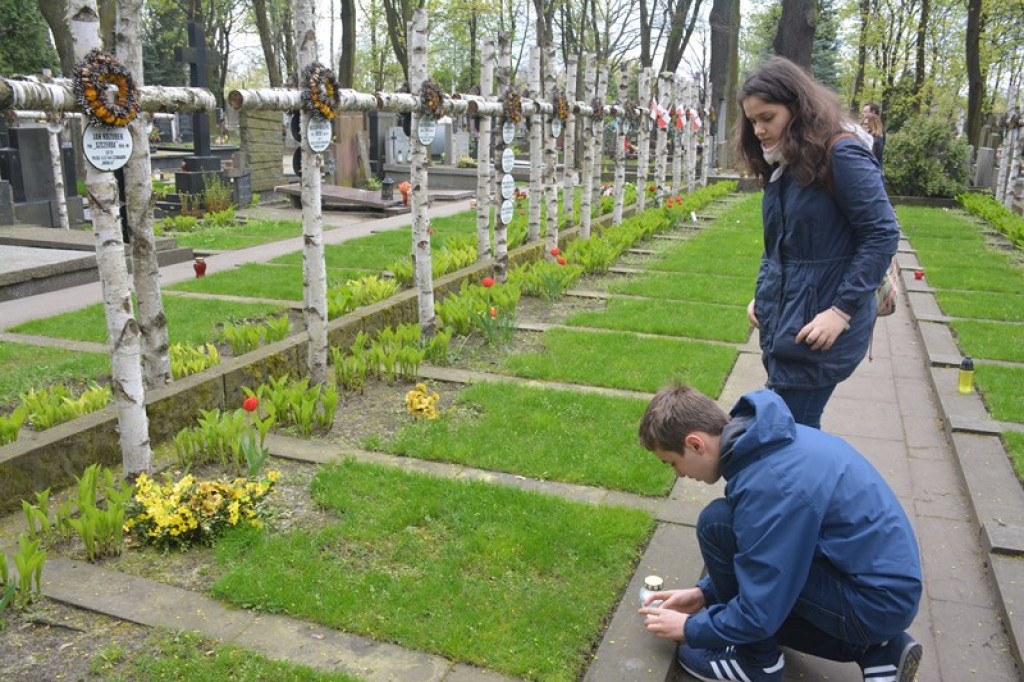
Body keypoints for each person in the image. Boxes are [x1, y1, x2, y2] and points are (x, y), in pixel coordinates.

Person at [636, 383, 923, 682]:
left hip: (874, 604)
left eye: (673, 463)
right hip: (880, 591)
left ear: (696, 444)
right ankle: (879, 650)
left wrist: (689, 629)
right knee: (728, 534)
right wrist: (705, 593)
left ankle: (757, 664)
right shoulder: (766, 440)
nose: (680, 474)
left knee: (717, 526)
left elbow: (761, 610)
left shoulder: (771, 483)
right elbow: (773, 549)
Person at [736, 57, 900, 429]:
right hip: (793, 318)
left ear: (797, 107)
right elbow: (780, 246)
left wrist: (839, 313)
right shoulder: (786, 162)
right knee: (790, 435)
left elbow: (881, 234)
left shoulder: (841, 153)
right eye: (752, 120)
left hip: (821, 328)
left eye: (767, 117)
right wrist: (765, 295)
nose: (758, 129)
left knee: (788, 436)